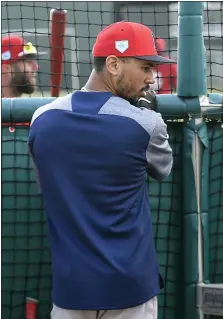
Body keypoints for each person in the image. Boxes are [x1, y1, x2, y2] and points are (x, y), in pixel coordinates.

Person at [28, 21, 176, 319]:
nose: (151, 78)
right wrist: (147, 112)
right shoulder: (146, 123)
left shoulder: (40, 119)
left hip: (72, 290)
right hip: (131, 288)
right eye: (145, 67)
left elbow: (44, 183)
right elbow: (163, 170)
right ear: (114, 64)